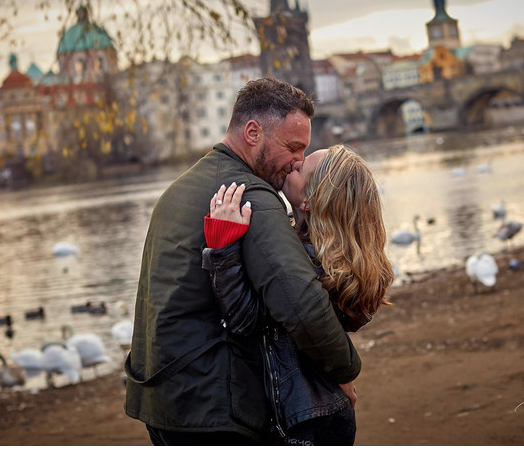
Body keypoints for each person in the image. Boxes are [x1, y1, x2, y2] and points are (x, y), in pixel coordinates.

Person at [124, 78, 362, 445]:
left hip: (161, 400)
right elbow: (302, 304)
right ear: (253, 132)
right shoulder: (249, 194)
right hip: (213, 406)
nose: (298, 160)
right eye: (293, 147)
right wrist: (344, 369)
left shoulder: (182, 187)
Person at [202, 144, 394, 445]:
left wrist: (222, 249)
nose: (294, 164)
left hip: (304, 421)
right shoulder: (340, 266)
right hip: (329, 410)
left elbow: (244, 318)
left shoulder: (302, 264)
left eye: (299, 169)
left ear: (308, 202)